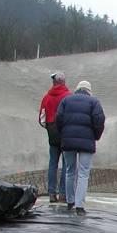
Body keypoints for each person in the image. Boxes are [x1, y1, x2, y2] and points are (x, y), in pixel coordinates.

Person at [56, 80, 105, 216]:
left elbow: (58, 118)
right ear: (89, 91)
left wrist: (64, 134)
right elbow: (99, 120)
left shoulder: (66, 100)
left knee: (70, 171)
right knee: (83, 173)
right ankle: (79, 206)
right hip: (86, 142)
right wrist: (95, 136)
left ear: (77, 89)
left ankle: (70, 201)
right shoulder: (94, 102)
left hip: (68, 141)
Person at [38, 72, 71, 202]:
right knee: (66, 164)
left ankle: (52, 193)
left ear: (54, 82)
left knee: (53, 163)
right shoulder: (69, 96)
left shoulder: (47, 97)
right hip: (66, 133)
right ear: (64, 82)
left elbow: (41, 118)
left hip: (52, 133)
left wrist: (48, 127)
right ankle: (63, 194)